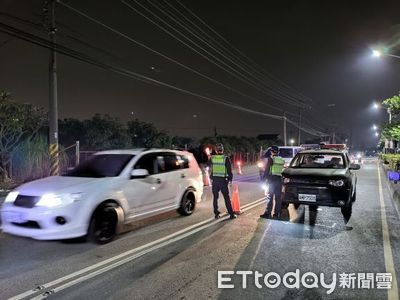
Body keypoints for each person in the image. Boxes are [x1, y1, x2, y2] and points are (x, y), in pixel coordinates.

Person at [209, 143, 237, 219]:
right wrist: (230, 179)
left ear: (216, 150)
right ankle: (231, 214)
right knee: (227, 198)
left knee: (215, 198)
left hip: (215, 181)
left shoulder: (212, 158)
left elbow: (211, 168)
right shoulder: (225, 158)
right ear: (222, 149)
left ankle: (216, 213)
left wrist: (211, 177)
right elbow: (229, 170)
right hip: (223, 181)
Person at [260, 145, 285, 219]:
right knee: (278, 198)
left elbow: (267, 170)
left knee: (270, 197)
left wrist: (263, 180)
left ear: (272, 151)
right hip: (279, 180)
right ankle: (277, 213)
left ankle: (268, 213)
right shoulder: (281, 159)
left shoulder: (271, 159)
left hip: (272, 180)